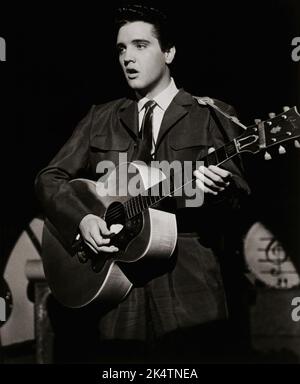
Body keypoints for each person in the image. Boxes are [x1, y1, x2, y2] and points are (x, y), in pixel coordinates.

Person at [35, 2, 251, 363]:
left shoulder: (210, 114)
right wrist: (83, 219)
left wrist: (221, 191)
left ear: (169, 52)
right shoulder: (100, 118)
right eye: (121, 48)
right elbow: (49, 178)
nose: (127, 58)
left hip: (189, 288)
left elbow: (239, 199)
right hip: (116, 287)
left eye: (140, 45)